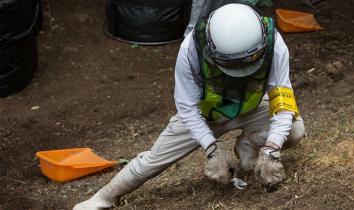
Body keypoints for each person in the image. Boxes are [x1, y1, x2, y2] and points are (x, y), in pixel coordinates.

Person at [73, 2, 306, 209]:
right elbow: (186, 106)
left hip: (251, 107)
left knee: (295, 132)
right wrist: (212, 148)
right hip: (206, 115)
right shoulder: (190, 48)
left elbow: (282, 99)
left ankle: (248, 145)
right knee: (154, 160)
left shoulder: (275, 44)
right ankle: (103, 198)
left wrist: (272, 149)